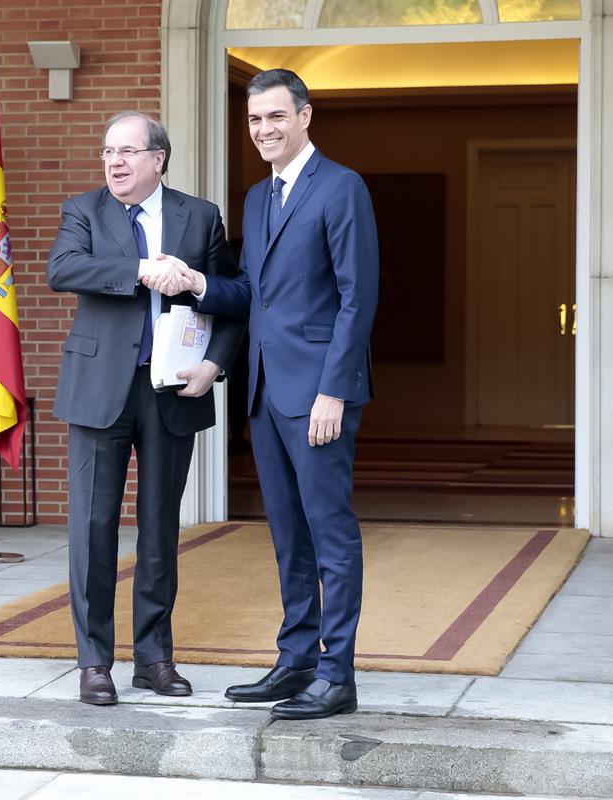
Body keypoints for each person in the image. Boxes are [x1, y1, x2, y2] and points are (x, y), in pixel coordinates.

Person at [146, 69, 378, 719]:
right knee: (288, 536)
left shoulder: (342, 188)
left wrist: (335, 391)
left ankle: (338, 675)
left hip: (318, 394)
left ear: (306, 116)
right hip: (266, 396)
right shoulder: (255, 198)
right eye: (254, 121)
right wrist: (195, 284)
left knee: (330, 532)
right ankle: (297, 659)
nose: (264, 130)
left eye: (276, 117)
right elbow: (249, 297)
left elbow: (358, 298)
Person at [47, 111, 244, 706]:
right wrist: (141, 270)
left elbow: (234, 298)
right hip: (99, 387)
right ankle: (95, 661)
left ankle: (155, 658)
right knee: (93, 526)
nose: (115, 162)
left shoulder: (199, 216)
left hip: (171, 390)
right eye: (108, 151)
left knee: (159, 528)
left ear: (159, 158)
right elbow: (63, 269)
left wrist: (215, 365)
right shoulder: (84, 210)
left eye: (128, 151)